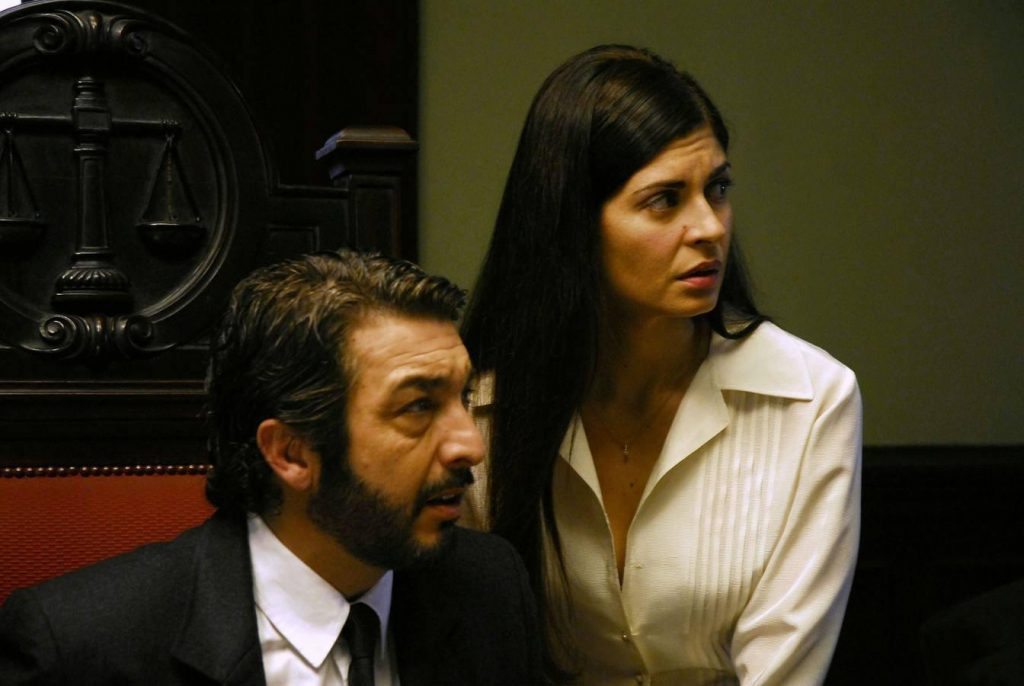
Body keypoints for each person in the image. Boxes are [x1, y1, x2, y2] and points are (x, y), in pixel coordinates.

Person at [461, 45, 862, 685]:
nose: (710, 227)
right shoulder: (480, 407)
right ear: (572, 221)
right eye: (664, 199)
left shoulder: (811, 398)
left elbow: (783, 670)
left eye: (717, 189)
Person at [0, 250, 543, 685]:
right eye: (418, 406)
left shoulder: (488, 586)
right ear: (290, 453)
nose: (470, 444)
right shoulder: (79, 646)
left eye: (461, 398)